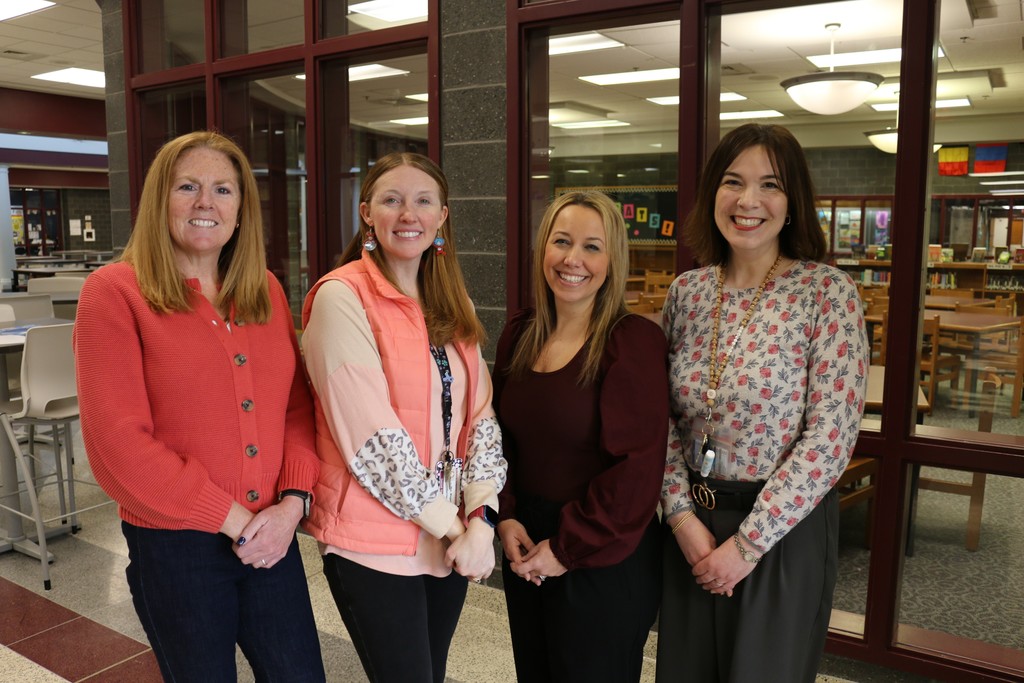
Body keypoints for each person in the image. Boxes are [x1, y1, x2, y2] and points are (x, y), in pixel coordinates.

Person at [74, 131, 325, 682]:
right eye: (187, 186)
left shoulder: (265, 290)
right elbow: (119, 447)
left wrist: (292, 506)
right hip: (176, 545)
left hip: (271, 533)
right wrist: (237, 522)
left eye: (222, 189)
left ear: (241, 210)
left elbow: (295, 410)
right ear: (159, 202)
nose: (205, 202)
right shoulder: (115, 292)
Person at [656, 122, 869, 682]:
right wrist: (681, 517)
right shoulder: (687, 292)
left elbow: (831, 436)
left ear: (793, 201)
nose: (749, 201)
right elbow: (656, 420)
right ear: (712, 195)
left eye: (770, 185)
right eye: (733, 182)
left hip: (780, 531)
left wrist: (745, 547)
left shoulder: (826, 292)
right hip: (691, 528)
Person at [300, 151, 507, 683]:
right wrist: (455, 526)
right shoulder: (341, 297)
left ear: (442, 216)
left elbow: (479, 415)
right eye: (391, 200)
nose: (407, 214)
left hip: (450, 534)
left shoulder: (449, 296)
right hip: (373, 540)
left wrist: (482, 519)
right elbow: (373, 442)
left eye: (422, 201)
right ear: (367, 213)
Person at [492, 190, 668, 682]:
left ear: (613, 261)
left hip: (602, 555)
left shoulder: (631, 341)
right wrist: (505, 518)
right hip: (525, 543)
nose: (573, 259)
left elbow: (637, 470)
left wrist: (566, 549)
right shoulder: (519, 332)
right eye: (562, 241)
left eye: (592, 247)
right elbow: (496, 439)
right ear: (542, 250)